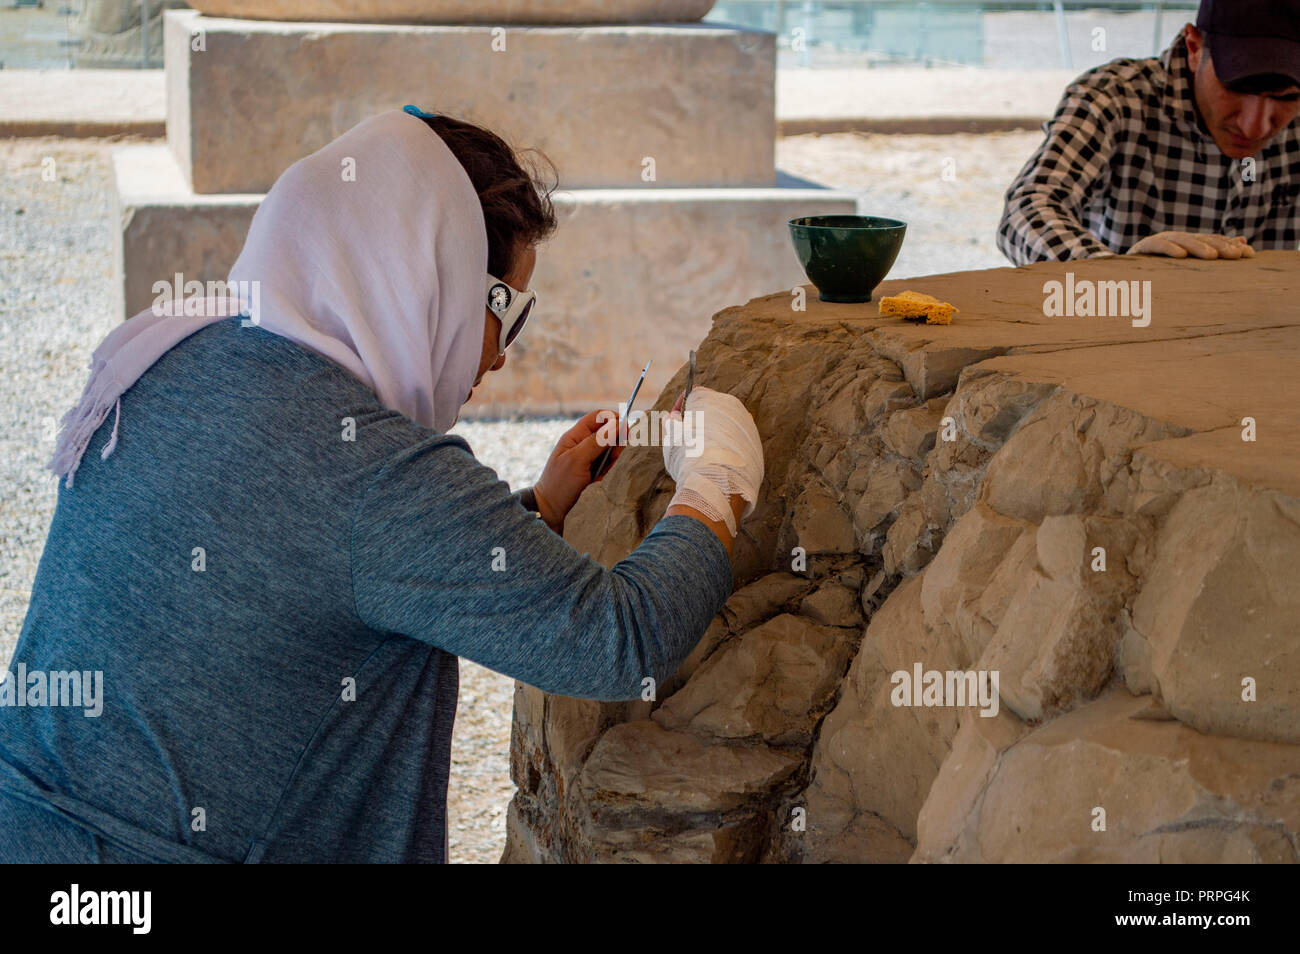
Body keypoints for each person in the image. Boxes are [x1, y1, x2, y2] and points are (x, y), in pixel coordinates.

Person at [0, 107, 764, 863]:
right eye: (506, 309)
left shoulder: (164, 359)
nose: (499, 357)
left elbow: (313, 574)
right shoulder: (381, 474)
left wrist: (542, 510)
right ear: (438, 275)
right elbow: (621, 639)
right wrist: (717, 481)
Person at [997, 0, 1300, 264]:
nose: (1255, 126)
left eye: (1287, 97)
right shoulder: (1112, 98)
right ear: (1194, 47)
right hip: (1121, 322)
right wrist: (1114, 276)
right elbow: (1026, 211)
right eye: (1237, 88)